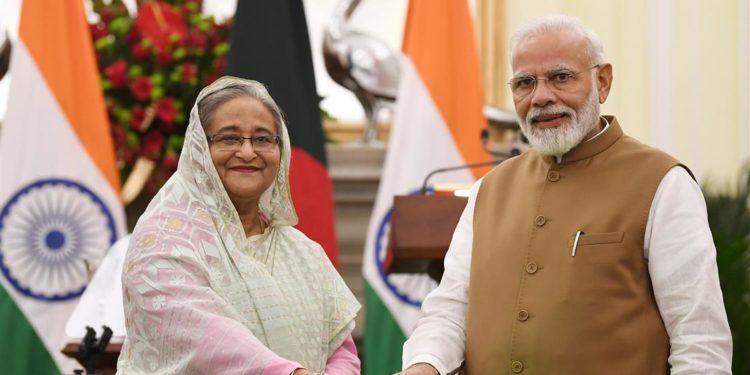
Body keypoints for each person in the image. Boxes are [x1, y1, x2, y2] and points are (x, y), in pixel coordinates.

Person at [399, 15, 732, 375]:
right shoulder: (488, 192)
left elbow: (699, 341)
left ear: (602, 82)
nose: (541, 97)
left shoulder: (663, 183)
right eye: (525, 83)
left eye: (561, 77)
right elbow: (449, 310)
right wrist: (424, 366)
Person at [117, 77, 361, 374]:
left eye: (262, 139)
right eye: (229, 138)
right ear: (199, 149)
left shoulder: (304, 251)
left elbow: (341, 350)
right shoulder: (162, 241)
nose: (247, 152)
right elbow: (206, 341)